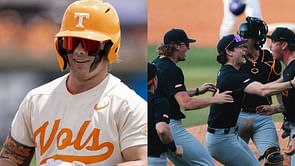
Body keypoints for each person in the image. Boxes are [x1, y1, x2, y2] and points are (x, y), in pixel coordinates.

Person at [0, 0, 147, 166]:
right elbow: (11, 159)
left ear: (109, 46)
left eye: (90, 44)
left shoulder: (127, 105)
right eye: (71, 42)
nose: (79, 50)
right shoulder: (37, 99)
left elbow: (142, 161)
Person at [205, 34, 295, 166]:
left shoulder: (231, 72)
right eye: (240, 48)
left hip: (230, 135)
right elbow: (263, 90)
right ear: (229, 52)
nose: (244, 50)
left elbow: (264, 87)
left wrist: (286, 79)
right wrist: (292, 83)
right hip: (221, 139)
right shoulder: (232, 76)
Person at [152, 28, 235, 166]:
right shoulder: (172, 69)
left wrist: (197, 91)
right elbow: (186, 104)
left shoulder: (157, 64)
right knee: (206, 163)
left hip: (156, 127)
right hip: (170, 128)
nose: (188, 49)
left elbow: (169, 92)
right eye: (186, 45)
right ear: (177, 46)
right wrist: (215, 99)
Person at [236, 16, 284, 165]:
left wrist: (280, 108)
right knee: (234, 160)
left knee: (275, 160)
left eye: (246, 38)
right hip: (237, 116)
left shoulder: (271, 61)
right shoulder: (234, 60)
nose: (241, 41)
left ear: (257, 40)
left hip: (262, 118)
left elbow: (278, 89)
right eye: (239, 37)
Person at [256, 27, 295, 166]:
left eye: (273, 42)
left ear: (284, 45)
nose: (270, 46)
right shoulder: (289, 70)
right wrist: (276, 108)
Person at [147, 63, 183, 166]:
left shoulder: (130, 99)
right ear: (154, 80)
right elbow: (162, 129)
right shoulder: (159, 101)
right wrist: (174, 148)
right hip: (153, 159)